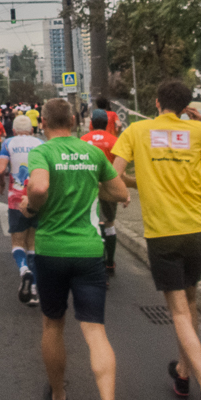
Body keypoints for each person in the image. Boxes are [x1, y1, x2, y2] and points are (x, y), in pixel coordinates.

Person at [111, 80, 201, 400]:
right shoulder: (200, 130)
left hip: (164, 232)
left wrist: (137, 182)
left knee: (177, 309)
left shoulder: (137, 130)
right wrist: (195, 129)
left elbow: (113, 175)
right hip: (198, 229)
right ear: (186, 105)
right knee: (191, 298)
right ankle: (183, 373)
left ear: (156, 101)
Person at [23, 97, 127, 400]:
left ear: (45, 124)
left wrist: (30, 204)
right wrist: (89, 185)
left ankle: (58, 396)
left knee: (53, 323)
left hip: (51, 251)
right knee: (95, 331)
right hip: (89, 251)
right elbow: (121, 192)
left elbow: (37, 187)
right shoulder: (91, 153)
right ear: (73, 120)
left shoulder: (43, 153)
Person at [0, 114, 42, 306]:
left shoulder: (8, 143)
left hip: (16, 199)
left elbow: (0, 170)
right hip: (36, 198)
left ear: (13, 131)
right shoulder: (41, 143)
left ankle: (24, 270)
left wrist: (0, 184)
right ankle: (34, 290)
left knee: (17, 241)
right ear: (32, 130)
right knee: (33, 242)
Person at [82, 109, 120, 275]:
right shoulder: (114, 141)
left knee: (93, 223)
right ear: (106, 123)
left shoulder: (83, 141)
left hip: (88, 187)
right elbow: (119, 170)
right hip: (109, 187)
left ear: (91, 123)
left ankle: (96, 262)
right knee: (109, 224)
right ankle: (110, 263)